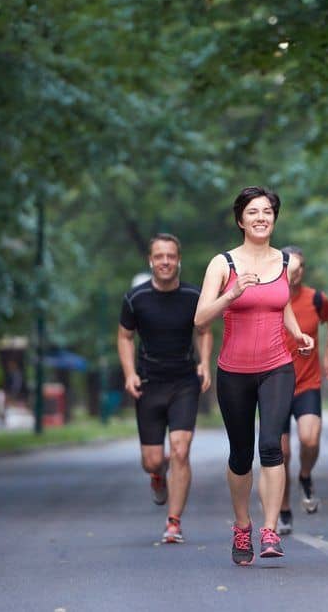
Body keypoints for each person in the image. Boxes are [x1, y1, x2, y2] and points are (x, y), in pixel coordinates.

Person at [194, 186, 315, 566]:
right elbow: (200, 319)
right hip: (234, 371)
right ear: (240, 220)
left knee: (272, 447)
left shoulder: (284, 262)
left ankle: (270, 529)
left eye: (267, 211)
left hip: (277, 366)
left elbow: (280, 305)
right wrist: (232, 294)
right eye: (253, 212)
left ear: (274, 218)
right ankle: (242, 525)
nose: (261, 217)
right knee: (241, 455)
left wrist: (296, 333)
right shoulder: (223, 264)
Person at [117, 233, 213, 545]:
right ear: (151, 260)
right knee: (152, 460)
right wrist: (130, 373)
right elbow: (125, 337)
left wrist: (204, 363)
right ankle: (158, 477)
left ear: (179, 260)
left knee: (181, 451)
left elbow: (204, 331)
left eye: (171, 256)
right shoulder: (135, 299)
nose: (166, 262)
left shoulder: (192, 296)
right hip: (149, 384)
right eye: (159, 256)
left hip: (184, 382)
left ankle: (174, 522)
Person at [276, 245, 328, 536]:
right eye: (289, 267)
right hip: (274, 384)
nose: (294, 273)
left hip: (307, 382)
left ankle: (305, 475)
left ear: (303, 269)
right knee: (282, 452)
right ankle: (284, 510)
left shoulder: (316, 299)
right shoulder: (270, 298)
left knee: (310, 440)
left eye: (298, 267)